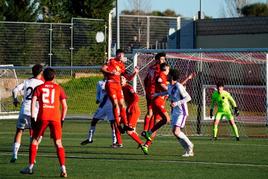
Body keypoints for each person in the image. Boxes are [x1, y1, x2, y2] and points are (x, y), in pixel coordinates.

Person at [20, 68, 68, 177]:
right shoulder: (59, 88)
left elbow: (33, 103)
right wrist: (62, 120)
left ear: (43, 76)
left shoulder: (39, 88)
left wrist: (33, 118)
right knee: (58, 143)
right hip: (55, 118)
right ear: (54, 77)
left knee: (34, 141)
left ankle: (30, 167)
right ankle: (63, 169)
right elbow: (65, 106)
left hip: (43, 116)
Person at [10, 64, 44, 163]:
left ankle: (15, 154)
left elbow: (15, 90)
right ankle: (32, 157)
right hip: (35, 112)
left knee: (19, 132)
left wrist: (15, 99)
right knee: (34, 134)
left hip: (24, 110)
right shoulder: (41, 83)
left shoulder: (26, 81)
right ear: (41, 72)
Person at [101, 49, 139, 134]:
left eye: (122, 55)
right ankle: (118, 125)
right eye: (121, 55)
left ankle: (125, 124)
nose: (122, 57)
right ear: (118, 55)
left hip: (118, 86)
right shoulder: (111, 61)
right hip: (111, 84)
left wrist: (135, 73)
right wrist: (111, 72)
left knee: (122, 105)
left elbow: (128, 78)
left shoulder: (122, 65)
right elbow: (102, 69)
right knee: (115, 104)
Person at [80, 78, 119, 147]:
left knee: (112, 123)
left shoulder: (113, 82)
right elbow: (98, 92)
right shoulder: (100, 82)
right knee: (94, 121)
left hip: (110, 106)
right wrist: (98, 99)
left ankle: (114, 141)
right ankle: (89, 139)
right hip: (102, 106)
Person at [167, 69, 194, 157]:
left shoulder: (179, 86)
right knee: (175, 133)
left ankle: (190, 144)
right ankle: (188, 150)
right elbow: (167, 92)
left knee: (176, 131)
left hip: (182, 112)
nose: (167, 75)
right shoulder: (170, 86)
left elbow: (188, 98)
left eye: (169, 74)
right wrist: (157, 94)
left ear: (172, 76)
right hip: (174, 112)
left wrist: (176, 103)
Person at [143, 63, 170, 146]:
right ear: (165, 69)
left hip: (160, 101)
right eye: (168, 69)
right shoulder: (161, 75)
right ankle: (147, 132)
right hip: (158, 101)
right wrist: (169, 89)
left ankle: (146, 145)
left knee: (156, 125)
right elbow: (160, 83)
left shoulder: (165, 77)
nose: (169, 71)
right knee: (167, 119)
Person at [121, 76, 148, 155]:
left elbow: (136, 98)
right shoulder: (120, 88)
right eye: (120, 78)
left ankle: (143, 145)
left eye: (122, 78)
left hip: (134, 111)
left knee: (129, 131)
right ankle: (141, 143)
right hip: (129, 110)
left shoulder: (128, 87)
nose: (121, 80)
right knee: (126, 129)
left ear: (126, 80)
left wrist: (130, 106)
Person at [142, 52, 166, 138]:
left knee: (150, 112)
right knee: (157, 116)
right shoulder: (161, 69)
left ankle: (145, 131)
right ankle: (149, 133)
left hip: (149, 92)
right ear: (156, 60)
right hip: (157, 94)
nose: (163, 61)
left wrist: (146, 90)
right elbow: (160, 81)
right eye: (161, 59)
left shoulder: (150, 68)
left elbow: (145, 80)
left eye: (163, 59)